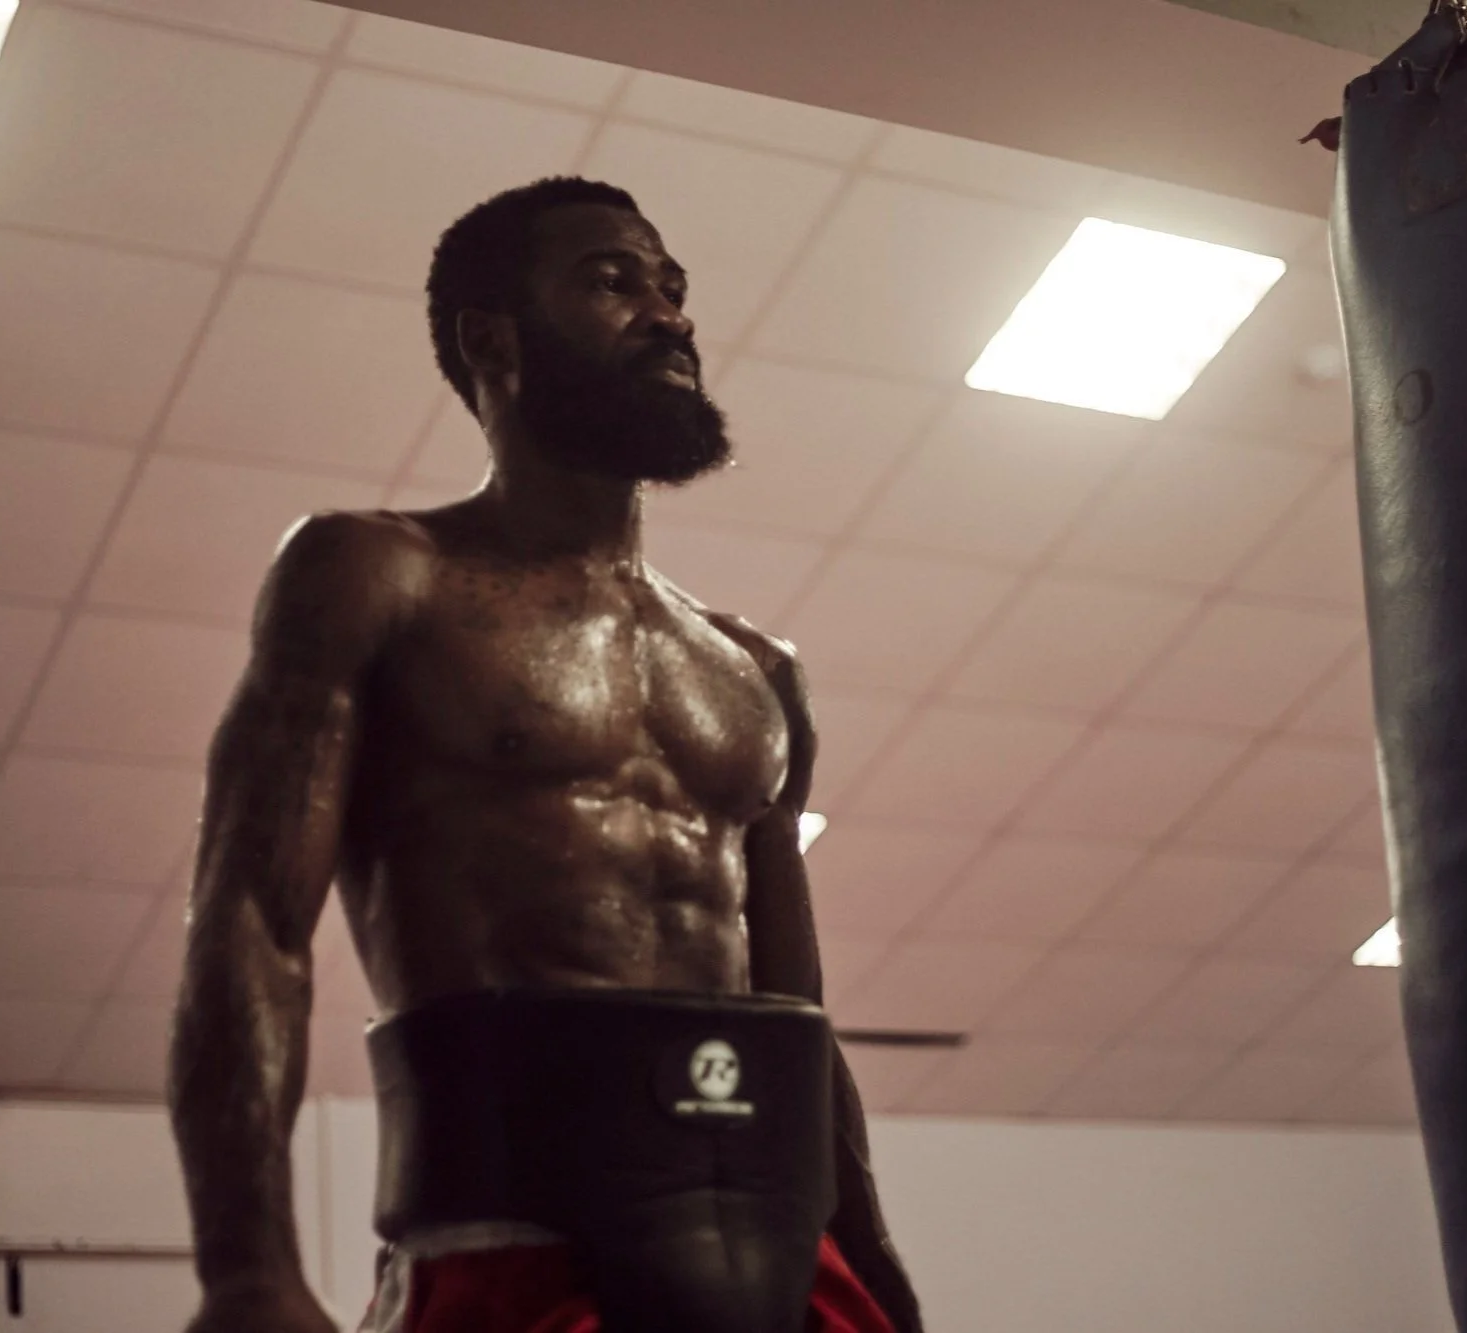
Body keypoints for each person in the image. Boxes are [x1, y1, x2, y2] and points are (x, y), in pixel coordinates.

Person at [168, 176, 922, 1333]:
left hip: (783, 1254)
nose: (668, 313)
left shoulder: (754, 672)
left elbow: (793, 1014)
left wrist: (870, 1255)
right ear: (494, 341)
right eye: (613, 281)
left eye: (672, 287)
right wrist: (244, 1271)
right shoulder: (376, 574)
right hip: (511, 1247)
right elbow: (251, 924)